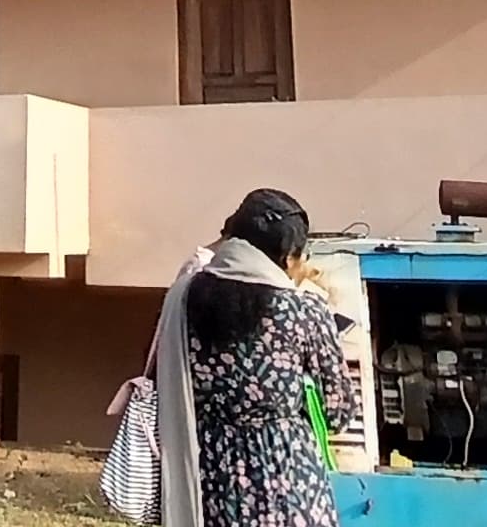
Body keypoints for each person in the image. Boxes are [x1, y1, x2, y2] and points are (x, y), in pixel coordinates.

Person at [153, 189, 357, 527]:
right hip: (287, 482)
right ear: (287, 257)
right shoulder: (304, 311)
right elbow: (339, 413)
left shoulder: (184, 298)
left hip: (208, 481)